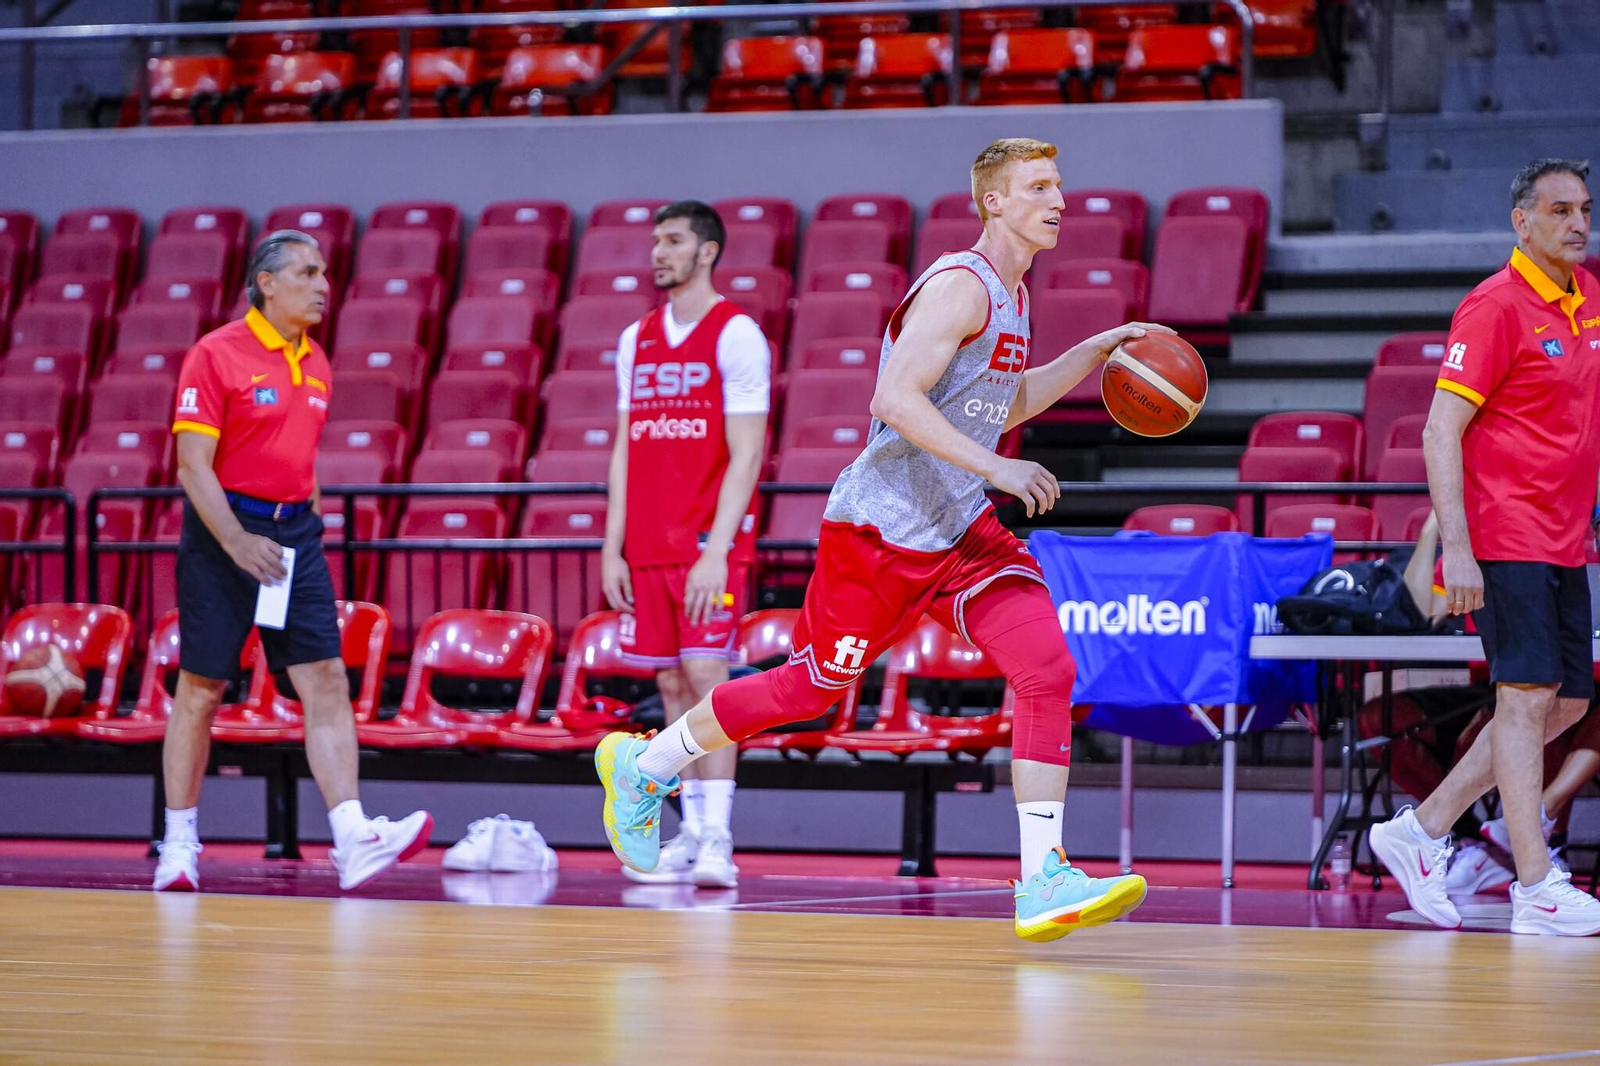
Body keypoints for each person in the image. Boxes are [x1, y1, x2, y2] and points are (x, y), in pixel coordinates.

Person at [595, 138, 1163, 942]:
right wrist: (997, 470)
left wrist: (1092, 353)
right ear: (992, 201)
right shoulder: (961, 288)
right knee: (806, 693)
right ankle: (645, 767)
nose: (1059, 199)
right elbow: (895, 399)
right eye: (1039, 186)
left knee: (1045, 667)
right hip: (880, 532)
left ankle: (1041, 876)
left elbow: (999, 403)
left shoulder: (1015, 294)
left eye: (1060, 185)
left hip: (960, 533)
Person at [155, 230, 431, 893]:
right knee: (201, 689)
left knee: (327, 678)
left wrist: (299, 523)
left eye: (326, 274)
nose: (323, 286)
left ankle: (351, 836)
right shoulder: (215, 354)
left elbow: (298, 461)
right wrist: (236, 540)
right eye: (307, 273)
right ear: (267, 283)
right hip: (226, 533)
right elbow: (193, 466)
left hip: (293, 534)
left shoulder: (317, 363)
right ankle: (180, 844)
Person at [1368, 158, 1600, 935]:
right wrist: (1456, 550)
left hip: (1567, 540)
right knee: (1527, 700)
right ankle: (1535, 885)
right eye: (1560, 210)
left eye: (1585, 210)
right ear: (1521, 221)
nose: (1577, 223)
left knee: (1567, 700)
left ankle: (1424, 827)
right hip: (1507, 532)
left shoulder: (1589, 298)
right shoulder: (1495, 307)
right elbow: (1440, 430)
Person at [599, 201, 770, 889]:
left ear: (708, 251)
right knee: (670, 683)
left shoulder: (737, 334)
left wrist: (717, 548)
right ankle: (690, 830)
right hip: (647, 540)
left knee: (707, 679)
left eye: (673, 241)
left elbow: (749, 453)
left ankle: (720, 837)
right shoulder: (635, 337)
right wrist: (612, 545)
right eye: (655, 241)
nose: (658, 253)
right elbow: (621, 448)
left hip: (706, 542)